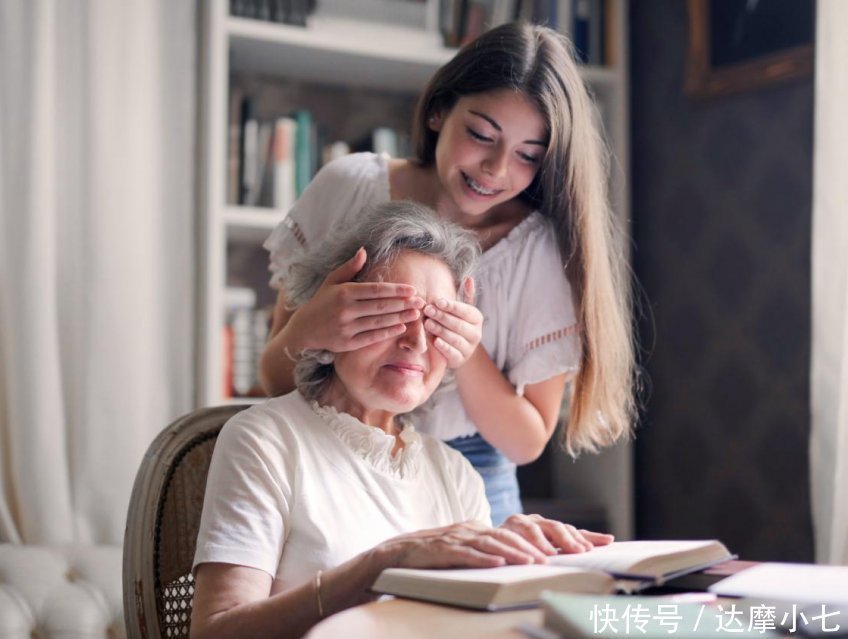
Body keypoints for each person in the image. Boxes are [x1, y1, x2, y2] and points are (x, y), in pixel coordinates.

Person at [259, 22, 637, 525]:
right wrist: (310, 328)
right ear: (438, 111)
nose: (495, 169)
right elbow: (273, 380)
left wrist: (462, 347)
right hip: (333, 456)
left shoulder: (538, 252)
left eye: (527, 155)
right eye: (480, 135)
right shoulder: (348, 188)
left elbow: (526, 442)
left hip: (473, 476)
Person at [190, 202, 613, 639]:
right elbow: (214, 633)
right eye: (391, 314)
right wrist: (385, 562)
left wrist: (524, 563)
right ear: (335, 316)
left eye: (436, 322)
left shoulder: (456, 475)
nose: (416, 342)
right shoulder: (264, 442)